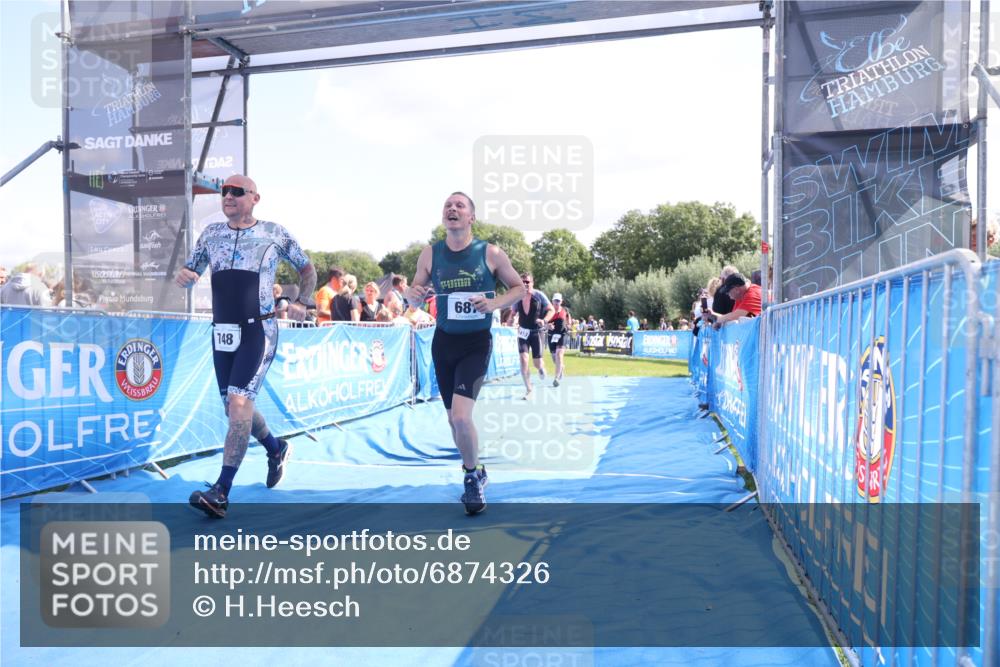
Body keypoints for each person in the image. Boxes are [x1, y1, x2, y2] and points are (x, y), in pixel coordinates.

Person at [175, 174, 316, 519]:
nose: (229, 196)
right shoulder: (211, 234)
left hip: (259, 329)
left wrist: (306, 300)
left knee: (240, 403)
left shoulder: (274, 232)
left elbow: (307, 268)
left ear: (255, 198)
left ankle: (221, 490)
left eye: (237, 191)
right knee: (234, 410)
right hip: (222, 332)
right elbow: (192, 268)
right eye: (225, 191)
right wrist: (184, 275)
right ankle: (275, 447)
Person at [405, 192, 525, 515]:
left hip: (476, 342)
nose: (452, 209)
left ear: (471, 217)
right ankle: (477, 468)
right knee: (453, 421)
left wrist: (494, 304)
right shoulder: (430, 255)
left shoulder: (490, 253)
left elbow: (518, 288)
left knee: (461, 416)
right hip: (444, 343)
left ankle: (471, 478)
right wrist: (410, 293)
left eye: (460, 205)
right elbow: (414, 299)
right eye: (447, 205)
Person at [512, 272, 554, 399]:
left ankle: (541, 367)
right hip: (523, 333)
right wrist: (510, 319)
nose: (525, 284)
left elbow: (551, 309)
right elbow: (513, 312)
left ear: (532, 283)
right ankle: (529, 389)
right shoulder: (517, 296)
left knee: (536, 363)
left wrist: (544, 320)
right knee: (524, 360)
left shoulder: (539, 295)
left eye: (527, 282)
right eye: (523, 282)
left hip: (536, 333)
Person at [547, 293, 572, 387]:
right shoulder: (548, 311)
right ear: (552, 301)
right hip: (551, 335)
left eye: (558, 301)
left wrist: (569, 324)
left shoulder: (565, 310)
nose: (557, 303)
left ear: (561, 301)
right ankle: (561, 367)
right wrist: (547, 325)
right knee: (555, 358)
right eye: (555, 301)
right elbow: (543, 323)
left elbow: (569, 319)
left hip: (562, 335)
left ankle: (556, 378)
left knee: (559, 354)